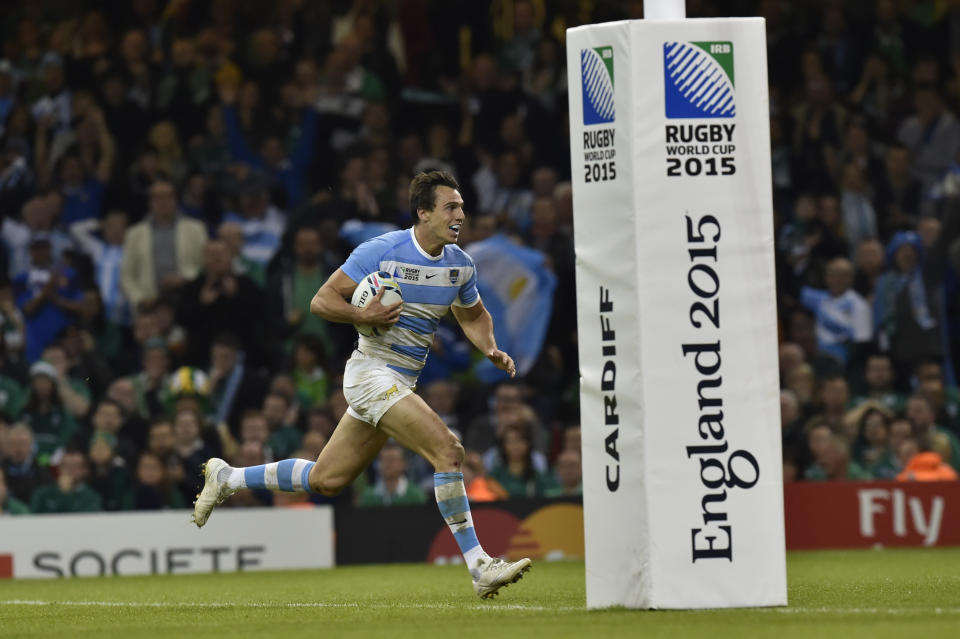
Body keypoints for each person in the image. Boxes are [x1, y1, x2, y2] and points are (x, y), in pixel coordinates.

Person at [192, 171, 531, 598]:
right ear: (423, 212)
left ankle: (228, 478)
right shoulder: (383, 251)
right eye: (451, 206)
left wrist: (490, 347)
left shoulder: (459, 266)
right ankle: (480, 565)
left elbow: (473, 314)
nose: (460, 214)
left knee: (326, 479)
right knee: (449, 450)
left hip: (400, 381)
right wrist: (364, 316)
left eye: (461, 206)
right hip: (370, 375)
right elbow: (321, 300)